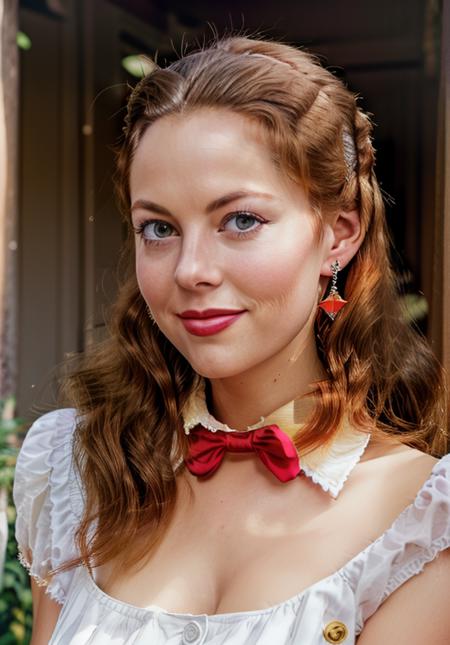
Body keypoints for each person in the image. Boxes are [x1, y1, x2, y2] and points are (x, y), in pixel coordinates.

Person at [13, 35, 450, 644]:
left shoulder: (421, 520)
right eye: (159, 228)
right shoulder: (77, 473)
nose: (191, 269)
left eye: (240, 220)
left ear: (339, 235)